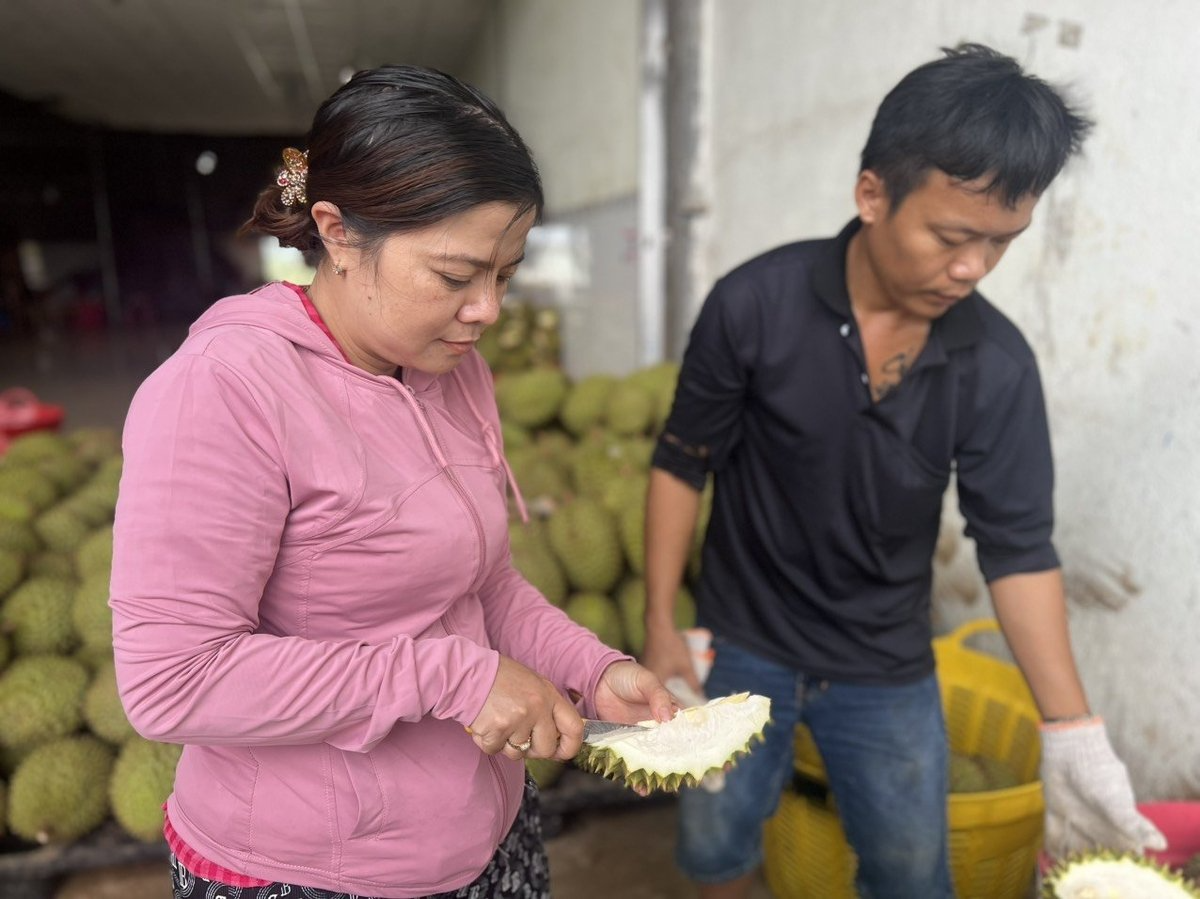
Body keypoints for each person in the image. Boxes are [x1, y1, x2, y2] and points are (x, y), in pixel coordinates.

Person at [109, 65, 675, 899]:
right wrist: (455, 677)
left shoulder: (450, 365)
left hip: (483, 831)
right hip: (311, 870)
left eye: (505, 274)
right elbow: (173, 681)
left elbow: (482, 584)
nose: (487, 310)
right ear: (337, 233)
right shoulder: (224, 389)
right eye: (455, 276)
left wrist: (592, 669)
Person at [642, 43, 1166, 899]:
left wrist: (1072, 727)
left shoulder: (996, 366)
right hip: (742, 640)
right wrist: (662, 622)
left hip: (885, 662)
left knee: (914, 874)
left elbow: (1018, 549)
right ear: (872, 194)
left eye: (1001, 244)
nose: (972, 268)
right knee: (716, 842)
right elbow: (681, 460)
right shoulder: (753, 304)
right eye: (952, 237)